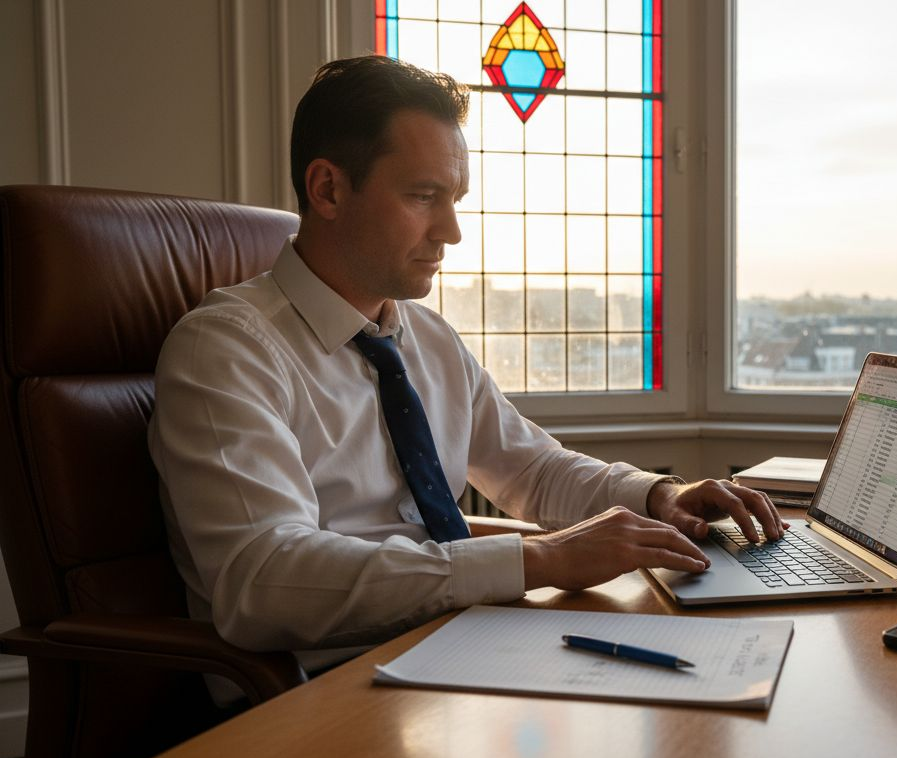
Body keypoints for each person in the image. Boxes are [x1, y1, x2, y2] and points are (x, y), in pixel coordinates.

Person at [147, 55, 783, 675]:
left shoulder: (426, 337)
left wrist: (656, 495)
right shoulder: (227, 350)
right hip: (319, 684)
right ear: (329, 188)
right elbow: (265, 580)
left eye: (455, 198)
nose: (451, 231)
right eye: (424, 197)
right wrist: (538, 560)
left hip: (458, 643)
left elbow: (531, 468)